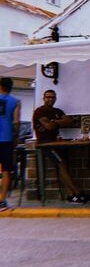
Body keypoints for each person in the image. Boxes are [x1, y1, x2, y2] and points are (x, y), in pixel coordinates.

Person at [32, 89, 90, 203]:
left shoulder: (57, 111)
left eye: (52, 97)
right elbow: (49, 126)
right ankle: (78, 193)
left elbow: (68, 121)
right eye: (48, 97)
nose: (50, 99)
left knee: (63, 166)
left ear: (55, 98)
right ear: (43, 98)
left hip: (57, 143)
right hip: (46, 145)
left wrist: (53, 121)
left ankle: (71, 195)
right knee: (62, 164)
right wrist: (57, 122)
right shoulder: (39, 111)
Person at [0, 77, 20, 210]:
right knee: (6, 171)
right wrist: (16, 138)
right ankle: (1, 200)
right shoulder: (15, 102)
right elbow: (16, 122)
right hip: (6, 139)